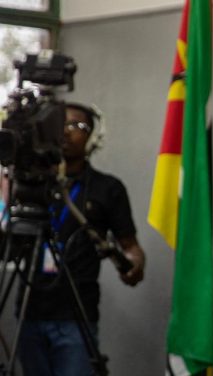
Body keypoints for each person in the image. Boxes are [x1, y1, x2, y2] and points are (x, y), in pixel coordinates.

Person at [15, 102, 146, 375]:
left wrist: (133, 263)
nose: (67, 132)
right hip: (29, 312)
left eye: (77, 126)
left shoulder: (107, 188)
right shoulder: (27, 186)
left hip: (76, 315)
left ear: (92, 138)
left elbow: (130, 247)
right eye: (61, 125)